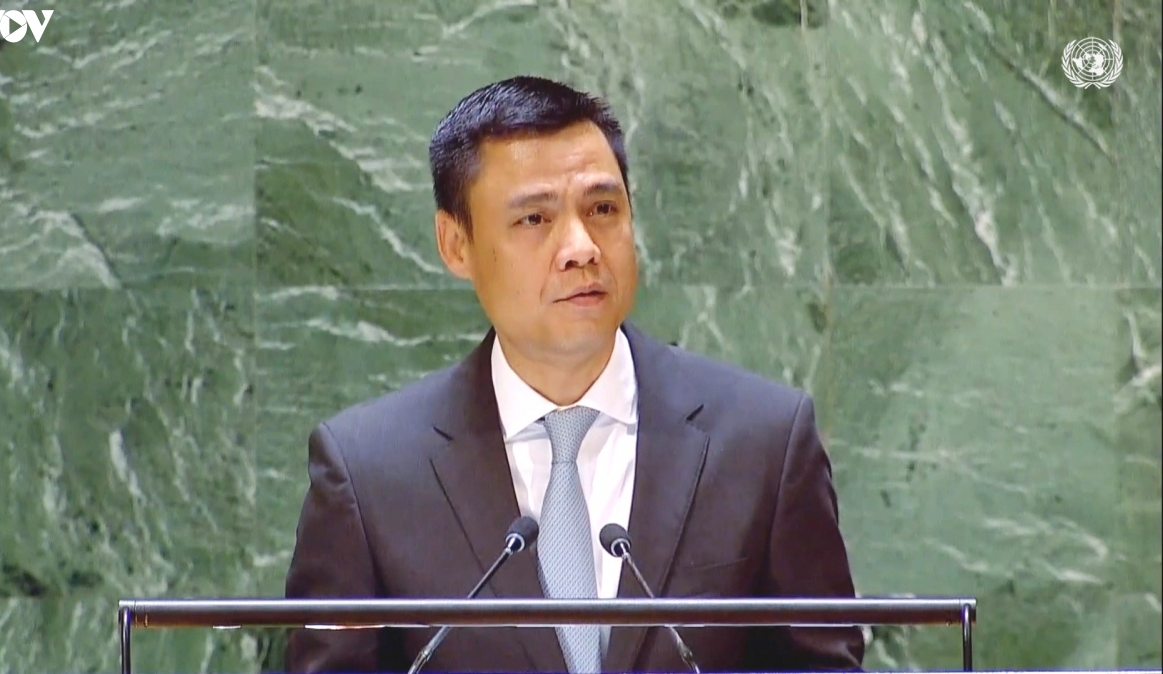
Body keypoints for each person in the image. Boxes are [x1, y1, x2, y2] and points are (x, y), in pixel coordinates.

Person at [284, 75, 865, 673]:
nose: (581, 247)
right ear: (455, 244)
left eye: (603, 209)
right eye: (535, 219)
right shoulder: (369, 474)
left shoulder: (764, 443)